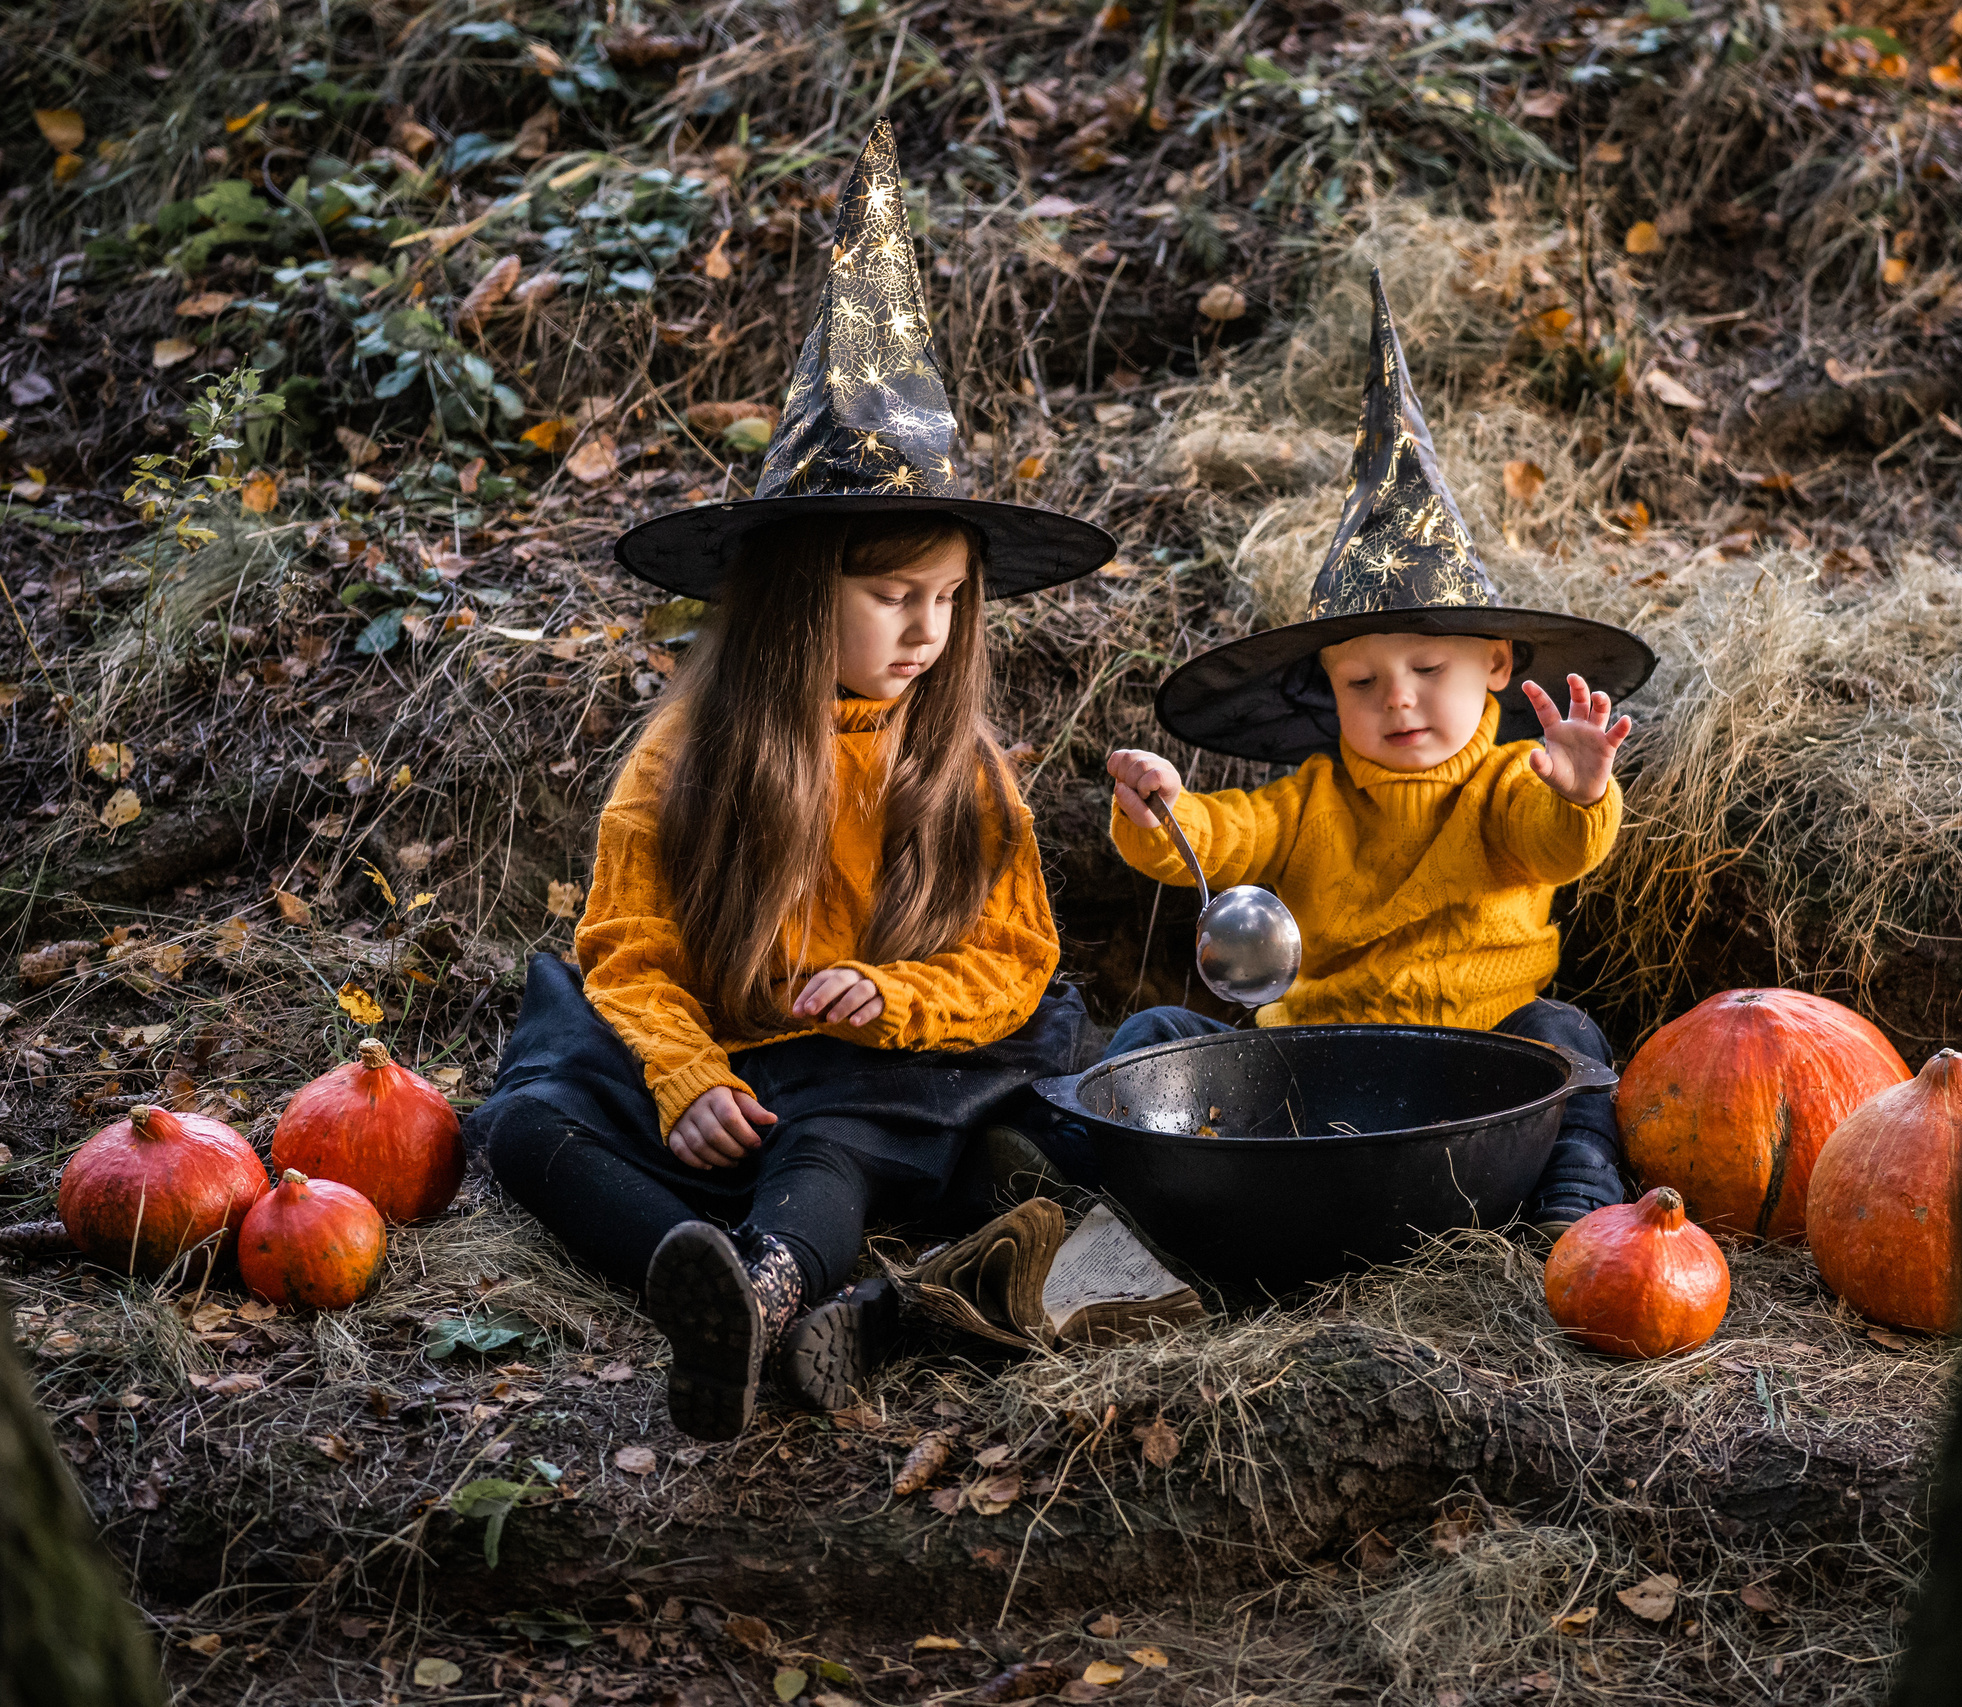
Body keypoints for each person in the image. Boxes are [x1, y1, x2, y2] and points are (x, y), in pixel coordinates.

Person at [468, 121, 1115, 1441]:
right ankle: (688, 1276)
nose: (926, 629)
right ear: (791, 600)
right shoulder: (685, 753)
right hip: (718, 1059)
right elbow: (630, 940)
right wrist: (686, 1074)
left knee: (828, 1147)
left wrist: (889, 992)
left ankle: (769, 1286)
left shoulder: (958, 760)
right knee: (523, 1123)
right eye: (891, 596)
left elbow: (1015, 956)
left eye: (946, 599)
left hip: (875, 1065)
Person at [1095, 270, 1659, 1240]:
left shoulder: (1503, 785)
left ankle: (1574, 1206)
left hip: (1482, 1066)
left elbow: (1552, 845)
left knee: (1568, 1041)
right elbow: (1220, 840)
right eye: (1362, 683)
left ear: (1492, 663)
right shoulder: (1309, 798)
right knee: (1152, 1043)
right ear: (1328, 687)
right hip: (1322, 1068)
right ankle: (1100, 1182)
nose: (1396, 698)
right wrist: (1161, 808)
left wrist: (1579, 791)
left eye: (1426, 668)